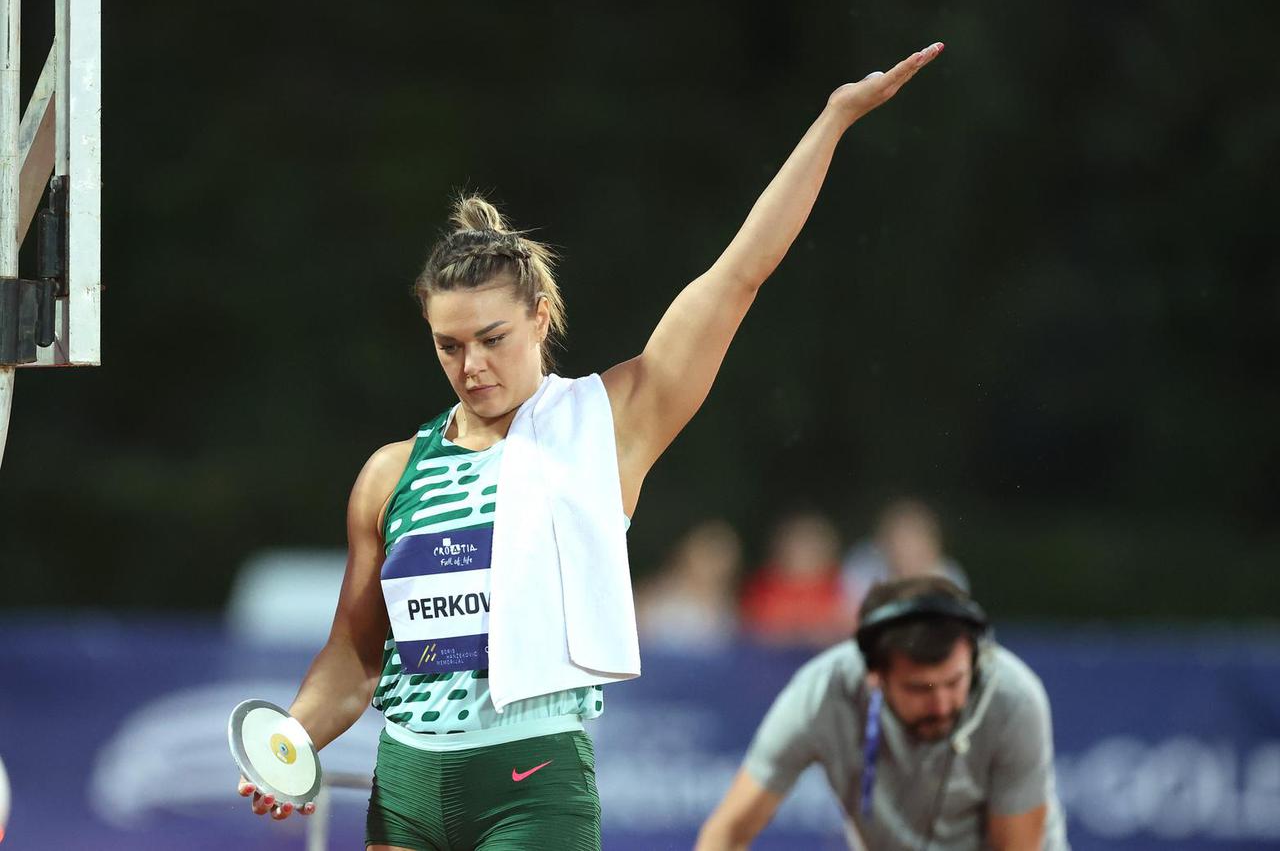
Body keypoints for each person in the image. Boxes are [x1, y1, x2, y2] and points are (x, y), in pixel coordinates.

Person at [237, 42, 949, 850]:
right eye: (448, 345)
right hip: (403, 786)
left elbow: (739, 274)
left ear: (539, 316)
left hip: (531, 783)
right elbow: (353, 660)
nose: (471, 366)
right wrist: (287, 740)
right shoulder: (389, 474)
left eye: (492, 338)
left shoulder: (605, 422)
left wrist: (834, 119)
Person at [698, 576, 1068, 851]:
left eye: (954, 682)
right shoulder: (820, 694)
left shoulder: (1014, 699)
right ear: (875, 676)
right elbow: (726, 834)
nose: (942, 705)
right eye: (919, 688)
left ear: (973, 656)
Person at [740, 511, 854, 647]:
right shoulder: (760, 589)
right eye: (797, 543)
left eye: (812, 543)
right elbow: (754, 632)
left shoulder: (844, 586)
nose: (804, 551)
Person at [843, 498, 970, 616]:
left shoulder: (948, 578)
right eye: (898, 541)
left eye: (913, 543)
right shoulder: (862, 568)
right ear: (882, 544)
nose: (905, 551)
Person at [636, 519, 743, 654]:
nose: (712, 567)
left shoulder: (729, 613)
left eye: (720, 557)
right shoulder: (653, 597)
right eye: (707, 555)